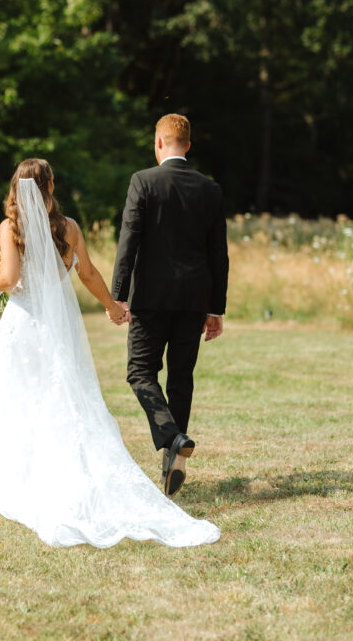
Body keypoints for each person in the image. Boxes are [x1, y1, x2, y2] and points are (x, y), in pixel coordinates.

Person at [0, 157, 219, 548]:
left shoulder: (12, 228)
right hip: (60, 327)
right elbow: (88, 273)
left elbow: (10, 279)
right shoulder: (70, 228)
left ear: (15, 189)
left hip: (23, 326)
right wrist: (112, 305)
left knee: (25, 397)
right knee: (65, 394)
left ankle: (30, 477)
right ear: (50, 188)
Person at [112, 114, 228, 497]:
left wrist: (118, 294)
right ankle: (172, 461)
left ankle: (173, 437)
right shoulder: (210, 189)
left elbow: (129, 240)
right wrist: (216, 308)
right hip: (194, 300)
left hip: (151, 299)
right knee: (181, 378)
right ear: (188, 145)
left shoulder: (143, 182)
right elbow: (219, 255)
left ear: (158, 143)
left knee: (140, 372)